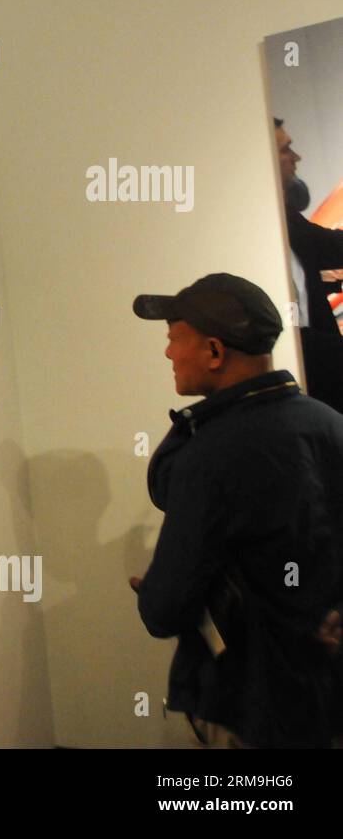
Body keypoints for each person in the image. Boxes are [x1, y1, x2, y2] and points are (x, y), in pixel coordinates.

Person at [130, 273, 343, 747]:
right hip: (328, 699)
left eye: (173, 340)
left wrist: (153, 593)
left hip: (251, 706)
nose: (167, 354)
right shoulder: (330, 424)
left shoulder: (208, 458)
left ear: (213, 352)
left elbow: (164, 613)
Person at [275, 117, 343, 413]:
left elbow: (328, 246)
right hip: (306, 366)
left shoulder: (286, 217)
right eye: (286, 149)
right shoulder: (267, 221)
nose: (296, 158)